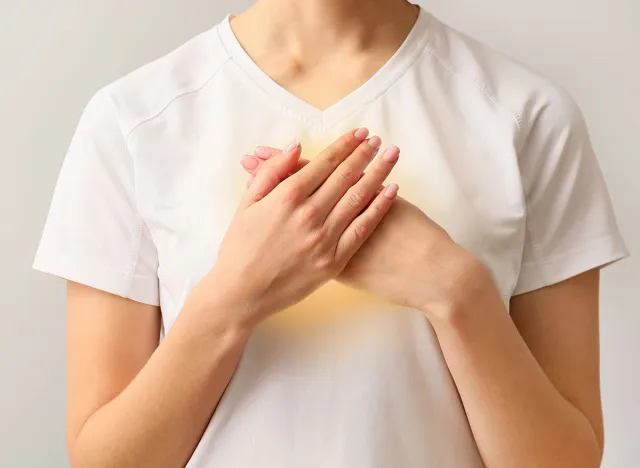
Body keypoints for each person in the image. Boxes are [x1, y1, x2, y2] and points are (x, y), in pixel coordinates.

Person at [33, 0, 628, 467]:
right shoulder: (135, 121)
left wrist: (455, 290)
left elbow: (565, 461)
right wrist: (233, 297)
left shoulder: (527, 116)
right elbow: (107, 460)